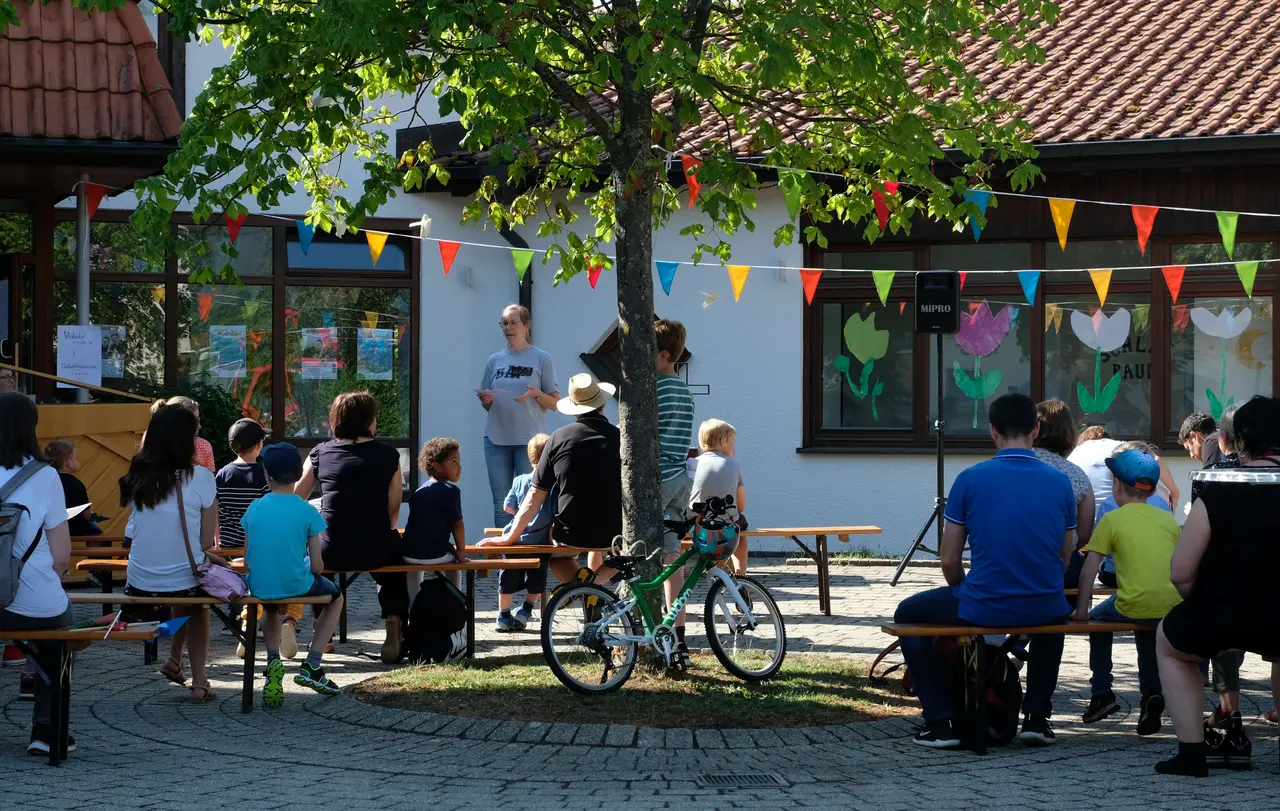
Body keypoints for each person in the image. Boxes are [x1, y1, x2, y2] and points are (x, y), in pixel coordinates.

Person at [894, 393, 1075, 749]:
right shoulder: (1060, 483)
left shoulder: (970, 479)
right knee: (1053, 616)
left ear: (992, 431)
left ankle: (940, 722)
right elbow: (1064, 557)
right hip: (1045, 602)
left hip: (984, 601)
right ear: (1036, 430)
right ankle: (1037, 718)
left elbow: (948, 560)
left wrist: (963, 590)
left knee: (906, 616)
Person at [1154, 396, 1280, 777]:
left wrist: (1200, 604)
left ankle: (1191, 752)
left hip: (1222, 609)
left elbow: (1180, 572)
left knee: (1170, 645)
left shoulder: (1217, 488)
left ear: (1239, 440)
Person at [293, 392, 408, 664]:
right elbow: (394, 507)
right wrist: (385, 533)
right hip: (377, 546)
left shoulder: (320, 453)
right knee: (393, 569)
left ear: (336, 421)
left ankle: (324, 634)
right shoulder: (388, 455)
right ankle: (394, 619)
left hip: (333, 547)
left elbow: (296, 498)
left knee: (316, 560)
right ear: (370, 421)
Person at [1073, 449, 1181, 736]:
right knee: (1146, 630)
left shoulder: (1112, 517)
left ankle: (1102, 693)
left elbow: (1089, 569)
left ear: (1117, 485)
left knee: (1099, 622)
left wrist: (1081, 611)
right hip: (1169, 604)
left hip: (1132, 602)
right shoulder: (1168, 518)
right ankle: (1151, 694)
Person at [121, 404, 222, 703]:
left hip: (139, 580)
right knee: (197, 602)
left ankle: (174, 660)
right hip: (183, 580)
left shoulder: (137, 477)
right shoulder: (201, 477)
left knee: (185, 589)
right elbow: (206, 540)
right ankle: (200, 680)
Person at [0, 393, 75, 755]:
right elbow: (61, 555)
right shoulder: (45, 475)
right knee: (59, 626)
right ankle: (46, 730)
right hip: (29, 602)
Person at [241, 444, 344, 707]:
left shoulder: (254, 507)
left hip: (261, 584)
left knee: (271, 607)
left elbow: (249, 558)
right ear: (299, 475)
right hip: (297, 582)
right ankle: (313, 664)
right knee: (336, 598)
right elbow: (318, 567)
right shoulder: (308, 510)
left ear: (267, 475)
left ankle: (273, 659)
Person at [494, 374, 621, 585]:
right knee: (624, 557)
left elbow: (536, 494)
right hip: (614, 530)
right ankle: (594, 587)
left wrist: (510, 536)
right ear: (602, 404)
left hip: (570, 532)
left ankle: (585, 589)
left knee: (556, 556)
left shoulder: (558, 438)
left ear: (574, 408)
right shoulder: (619, 437)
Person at [216, 418, 304, 659]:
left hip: (229, 544)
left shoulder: (222, 474)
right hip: (262, 547)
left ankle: (246, 629)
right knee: (285, 584)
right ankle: (289, 621)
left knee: (253, 588)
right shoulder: (264, 475)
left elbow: (215, 508)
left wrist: (217, 541)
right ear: (258, 446)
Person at [1186, 405, 1249, 732]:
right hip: (1268, 589)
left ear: (1221, 437)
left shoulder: (1212, 474)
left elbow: (1197, 546)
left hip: (1228, 586)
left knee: (1170, 642)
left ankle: (1217, 718)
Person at [477, 304, 559, 529]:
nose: (508, 327)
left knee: (530, 499)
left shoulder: (542, 358)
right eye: (504, 323)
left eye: (513, 322)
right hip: (496, 440)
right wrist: (486, 401)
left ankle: (528, 556)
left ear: (526, 325)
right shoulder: (495, 359)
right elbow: (487, 402)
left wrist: (537, 394)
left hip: (529, 443)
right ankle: (506, 560)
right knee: (501, 503)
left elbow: (556, 403)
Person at [655, 320, 695, 655]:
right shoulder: (683, 389)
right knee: (672, 561)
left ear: (664, 355)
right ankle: (677, 634)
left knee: (631, 546)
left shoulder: (654, 388)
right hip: (681, 477)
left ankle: (592, 592)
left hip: (659, 476)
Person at [1032, 400, 1094, 584]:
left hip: (1009, 564)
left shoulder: (1009, 465)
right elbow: (1084, 534)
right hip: (1060, 566)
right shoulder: (1077, 475)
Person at [401, 437, 465, 602]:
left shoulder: (418, 492)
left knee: (413, 569)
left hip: (408, 553)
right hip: (437, 553)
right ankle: (455, 602)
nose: (459, 467)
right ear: (436, 465)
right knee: (454, 566)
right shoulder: (451, 491)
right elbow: (457, 525)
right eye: (454, 462)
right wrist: (461, 553)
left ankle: (414, 606)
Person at [690, 419, 748, 576]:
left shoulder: (692, 463)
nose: (734, 446)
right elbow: (741, 506)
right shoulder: (733, 465)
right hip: (725, 528)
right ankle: (740, 576)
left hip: (695, 526)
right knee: (740, 536)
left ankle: (716, 573)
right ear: (723, 441)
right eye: (732, 441)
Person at [42, 440, 99, 537]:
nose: (78, 461)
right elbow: (86, 514)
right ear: (68, 463)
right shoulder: (76, 484)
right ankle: (99, 552)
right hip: (75, 528)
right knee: (97, 531)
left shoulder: (44, 482)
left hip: (49, 527)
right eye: (76, 458)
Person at [152, 396, 216, 473]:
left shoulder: (151, 445)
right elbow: (209, 479)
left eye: (198, 420)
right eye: (194, 421)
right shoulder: (204, 446)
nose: (199, 426)